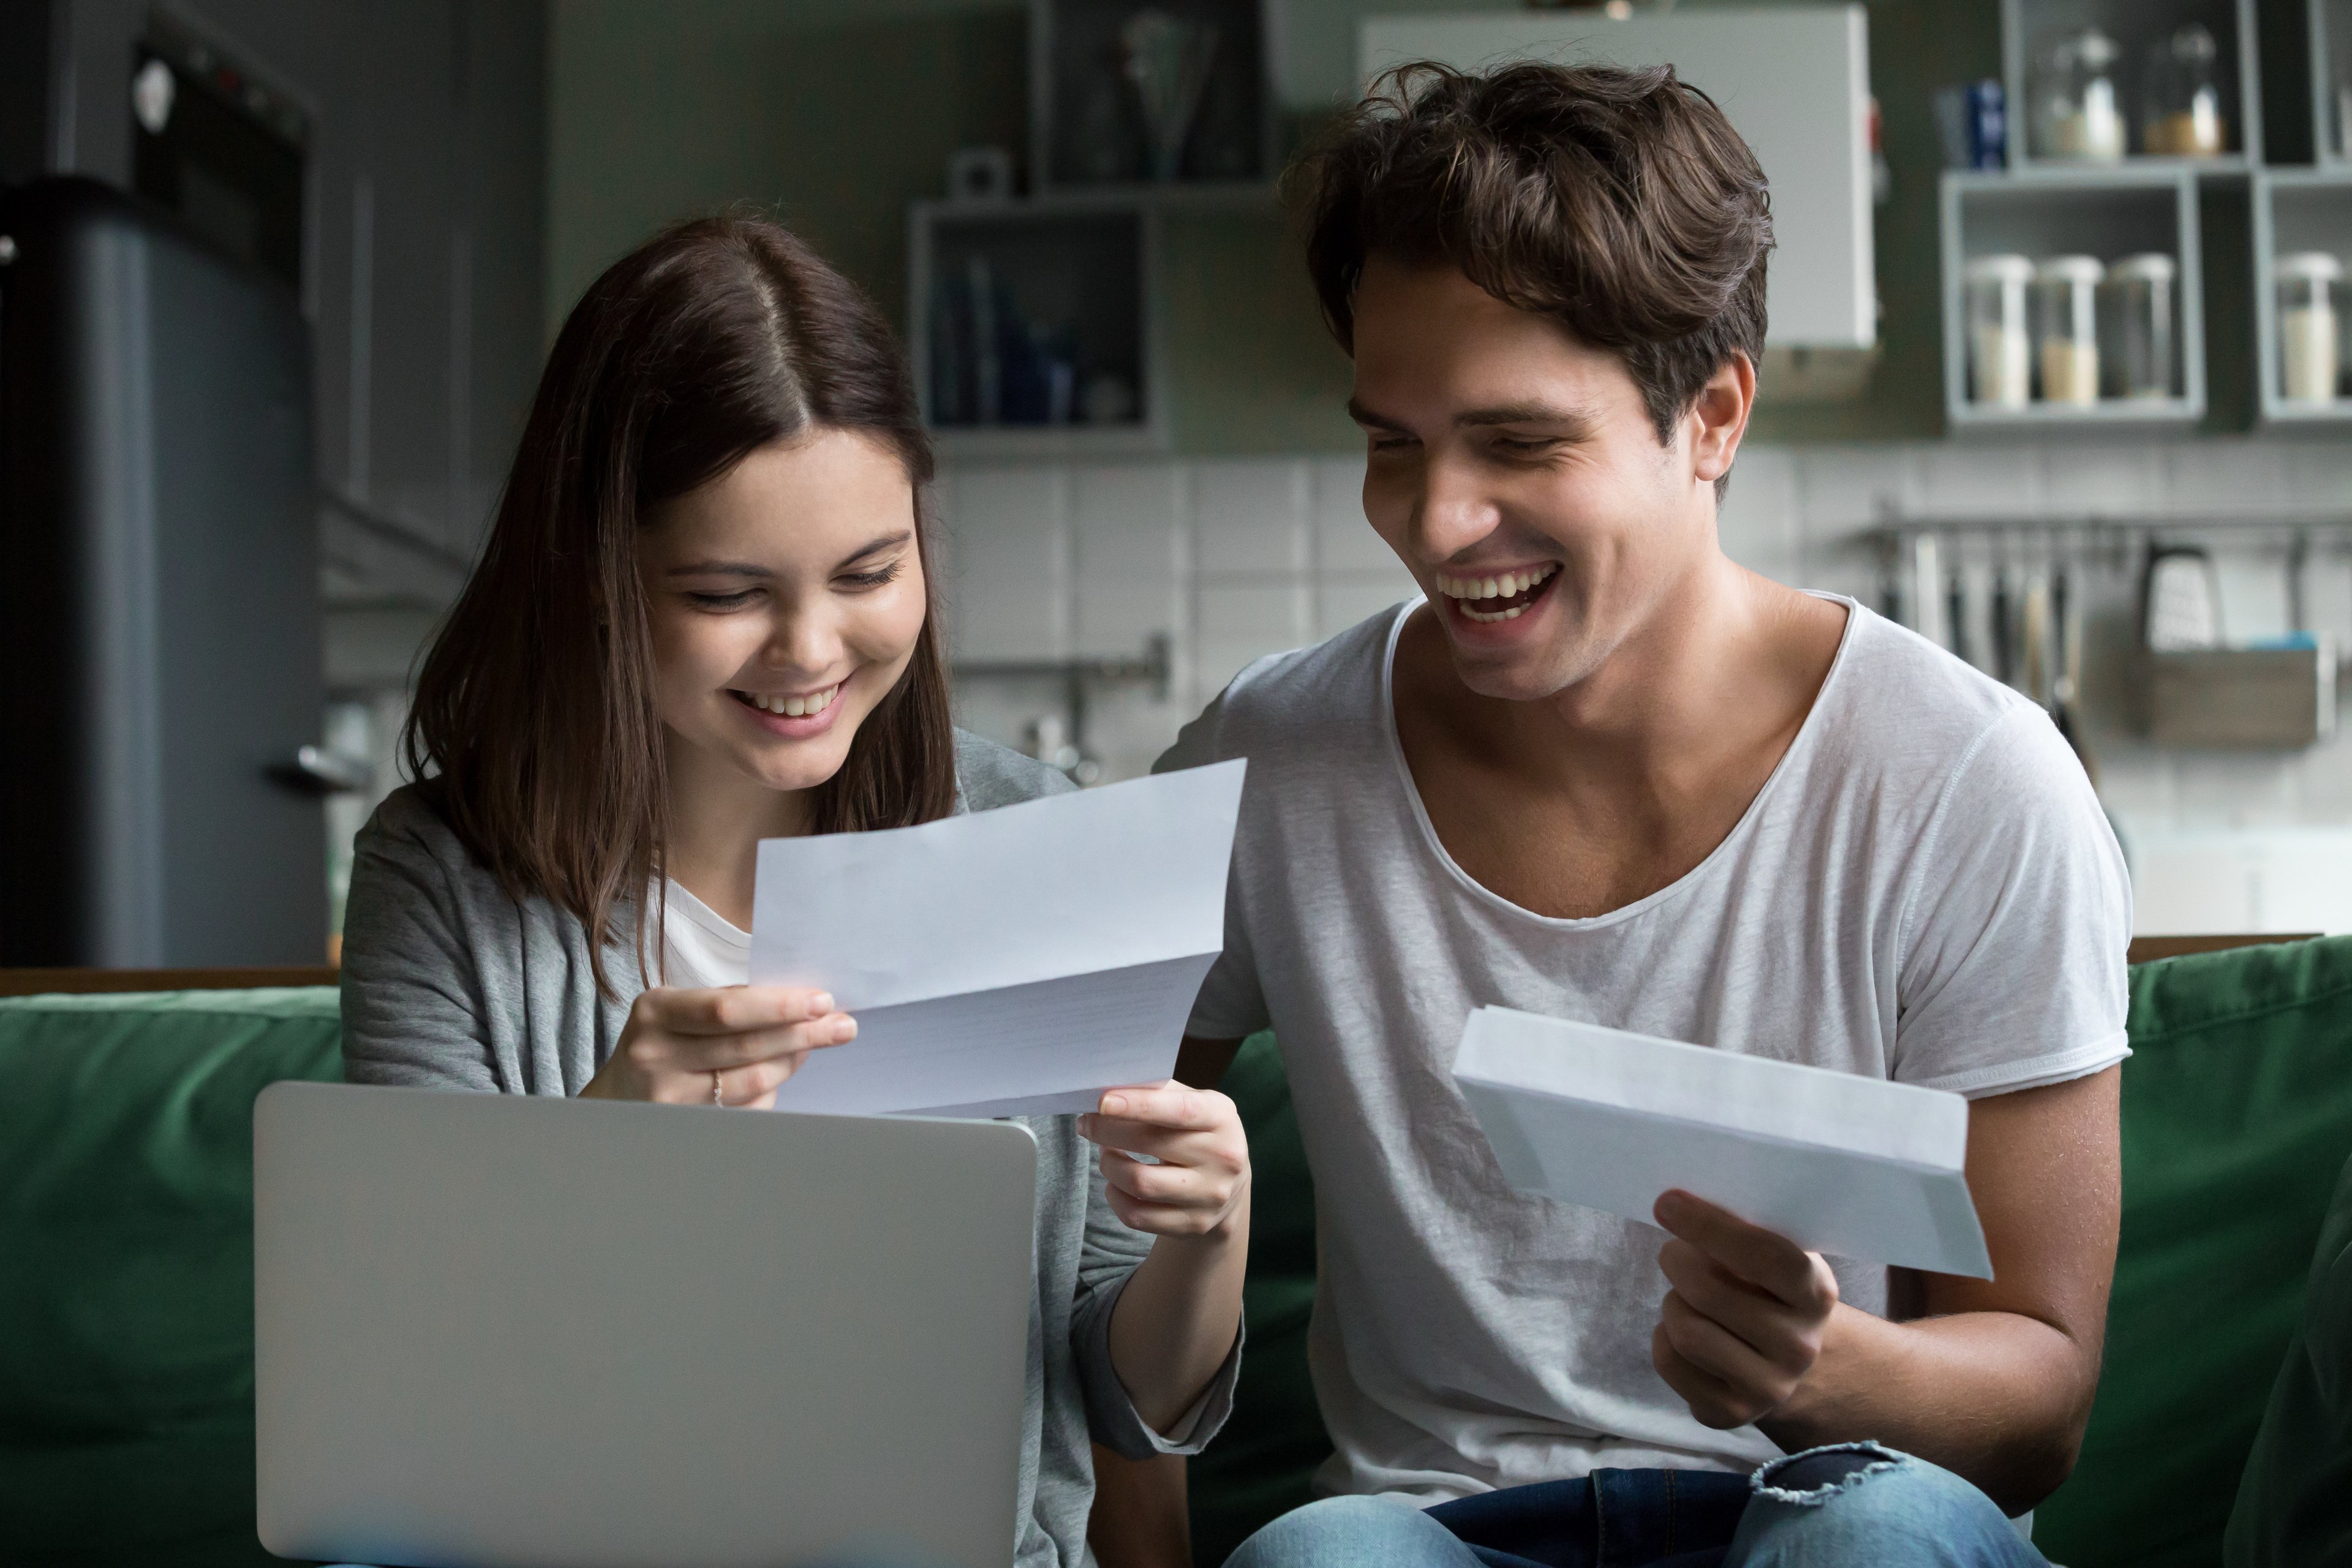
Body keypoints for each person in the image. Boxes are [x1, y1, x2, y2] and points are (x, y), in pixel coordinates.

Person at [1162, 62, 2129, 1568]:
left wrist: (1829, 1368)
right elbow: (1057, 1170)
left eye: (1521, 442)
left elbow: (2044, 1393)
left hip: (1828, 1501)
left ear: (1715, 415)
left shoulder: (1968, 780)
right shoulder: (1270, 758)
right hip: (1438, 1527)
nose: (1435, 521)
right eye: (1392, 442)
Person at [339, 214, 1250, 1568]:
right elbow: (412, 1386)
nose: (813, 650)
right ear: (595, 580)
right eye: (727, 591)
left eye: (872, 574)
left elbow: (1115, 1389)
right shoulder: (445, 874)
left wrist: (1208, 1237)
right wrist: (600, 1152)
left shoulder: (1026, 841)